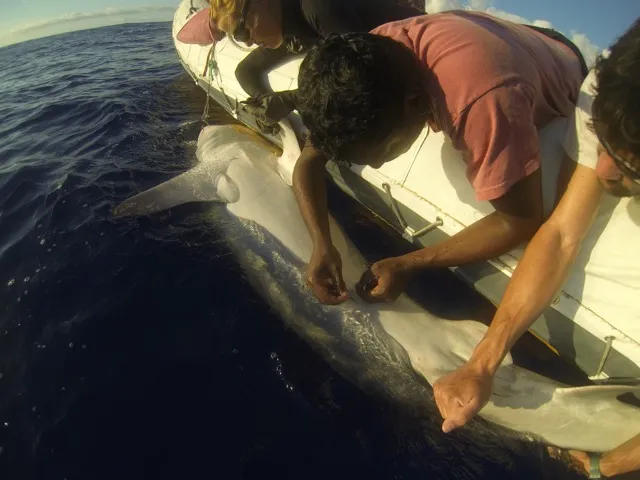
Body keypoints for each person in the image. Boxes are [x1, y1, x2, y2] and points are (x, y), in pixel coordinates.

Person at [433, 19, 640, 479]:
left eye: (627, 164)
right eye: (602, 141)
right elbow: (562, 234)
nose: (602, 170)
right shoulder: (610, 87)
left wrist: (605, 465)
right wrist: (482, 364)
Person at [294, 11, 586, 305]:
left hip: (564, 62)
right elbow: (309, 160)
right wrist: (321, 240)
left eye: (381, 152)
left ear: (418, 103)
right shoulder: (373, 57)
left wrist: (409, 263)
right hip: (518, 38)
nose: (378, 165)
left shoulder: (481, 103)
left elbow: (520, 219)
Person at [208, 0, 422, 132]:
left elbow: (366, 78)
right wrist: (266, 101)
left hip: (423, 47)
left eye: (242, 31)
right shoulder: (287, 28)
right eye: (237, 38)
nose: (247, 42)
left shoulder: (317, 7)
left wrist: (292, 98)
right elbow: (246, 70)